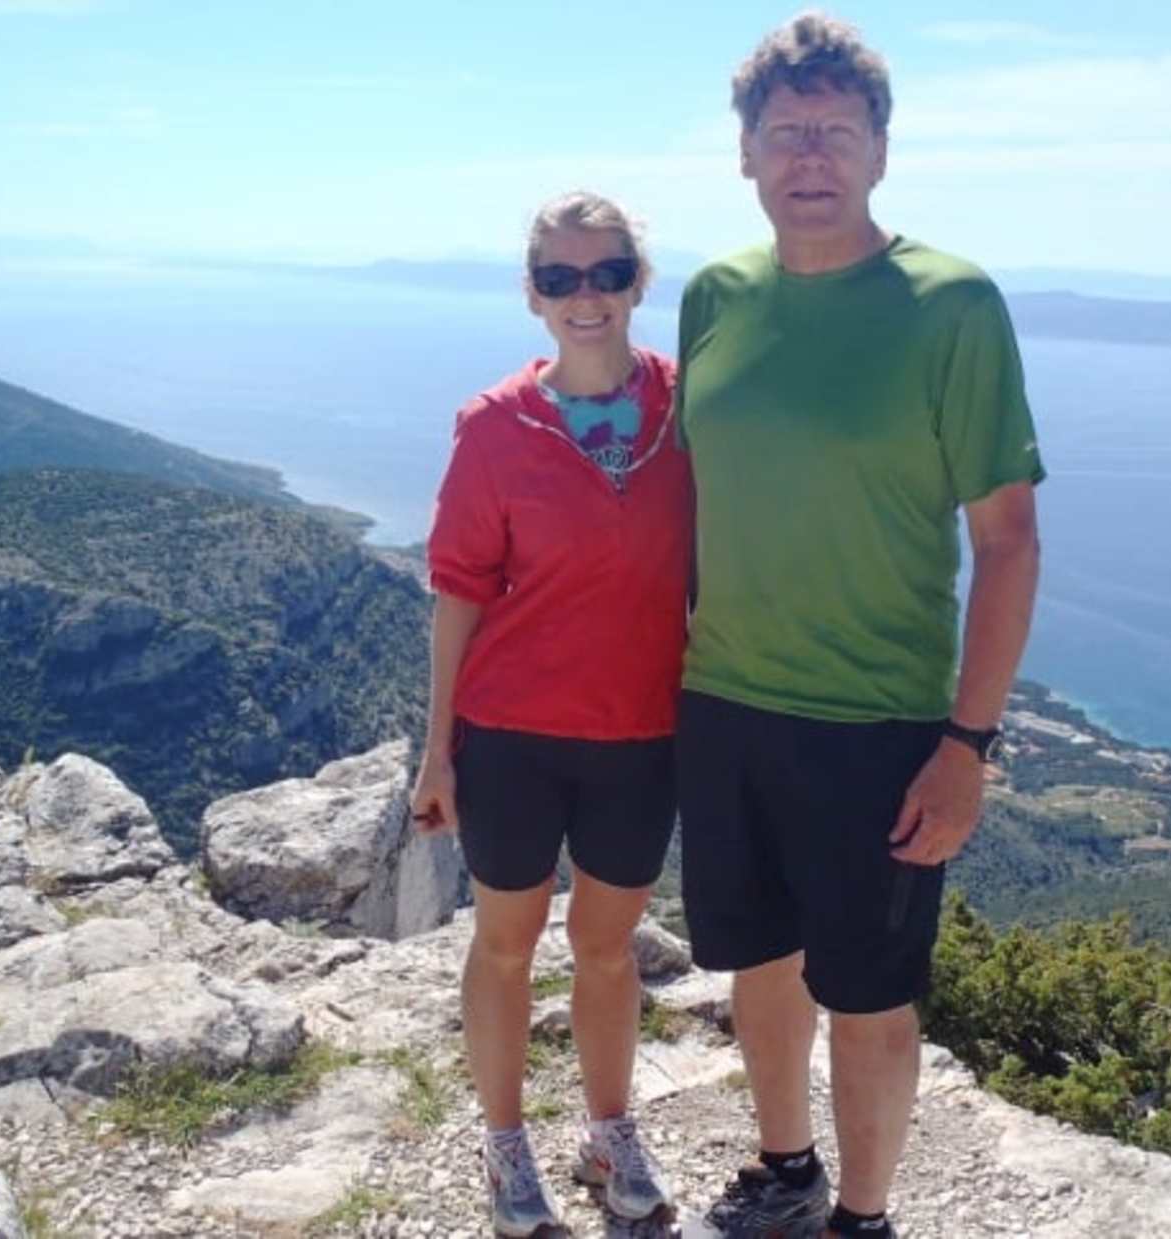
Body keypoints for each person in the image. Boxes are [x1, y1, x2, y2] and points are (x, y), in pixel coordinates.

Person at [674, 13, 1043, 1238]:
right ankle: (787, 1166)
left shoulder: (950, 304)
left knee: (873, 995)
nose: (811, 156)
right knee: (758, 963)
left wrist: (966, 746)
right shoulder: (716, 295)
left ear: (881, 150)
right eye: (786, 133)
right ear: (746, 155)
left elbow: (1007, 541)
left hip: (878, 724)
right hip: (722, 701)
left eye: (837, 131)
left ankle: (866, 1216)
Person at [410, 190, 691, 1236]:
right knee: (506, 946)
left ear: (636, 285)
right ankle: (504, 1145)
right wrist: (437, 751)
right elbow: (458, 590)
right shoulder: (494, 429)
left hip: (642, 734)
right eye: (563, 277)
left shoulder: (684, 409)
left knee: (610, 948)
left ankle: (609, 1133)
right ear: (533, 294)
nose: (588, 295)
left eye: (608, 273)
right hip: (514, 737)